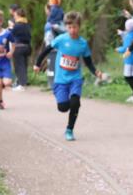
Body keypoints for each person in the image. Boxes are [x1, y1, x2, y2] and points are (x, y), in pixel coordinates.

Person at [33, 11, 106, 141]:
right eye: (70, 27)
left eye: (75, 27)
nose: (72, 30)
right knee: (63, 107)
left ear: (79, 27)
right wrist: (37, 64)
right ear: (66, 27)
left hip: (75, 78)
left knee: (75, 102)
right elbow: (47, 49)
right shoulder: (61, 39)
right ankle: (61, 96)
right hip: (60, 79)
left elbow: (88, 62)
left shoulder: (83, 44)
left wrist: (96, 72)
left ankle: (69, 130)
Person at [42, 0, 66, 92]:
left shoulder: (52, 19)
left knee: (52, 65)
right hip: (59, 47)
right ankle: (54, 84)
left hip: (52, 47)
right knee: (55, 66)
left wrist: (48, 46)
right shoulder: (60, 15)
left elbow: (49, 37)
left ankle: (53, 84)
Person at [116, 18, 133, 100]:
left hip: (129, 59)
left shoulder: (129, 37)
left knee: (128, 77)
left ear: (127, 27)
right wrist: (122, 34)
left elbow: (126, 48)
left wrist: (118, 49)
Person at [9, 6, 33, 90]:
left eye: (15, 15)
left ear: (18, 15)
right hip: (27, 47)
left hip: (19, 47)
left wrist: (10, 28)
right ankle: (23, 82)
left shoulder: (17, 25)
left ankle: (21, 84)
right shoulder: (27, 24)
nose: (14, 17)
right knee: (24, 65)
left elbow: (10, 35)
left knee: (19, 66)